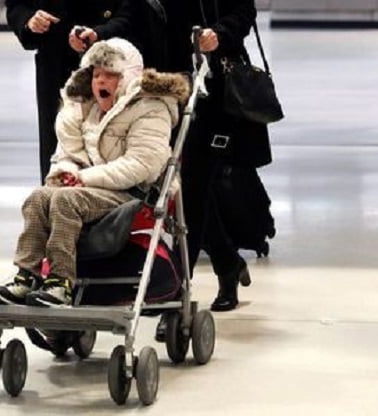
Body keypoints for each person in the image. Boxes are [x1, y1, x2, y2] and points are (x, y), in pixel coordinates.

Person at [0, 38, 190, 307]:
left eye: (110, 75)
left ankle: (60, 283)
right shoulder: (85, 109)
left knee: (63, 200)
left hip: (132, 194)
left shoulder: (151, 107)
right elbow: (66, 155)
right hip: (90, 191)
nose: (100, 82)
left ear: (127, 77)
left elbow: (142, 165)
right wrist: (67, 172)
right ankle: (27, 276)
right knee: (39, 197)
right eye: (96, 75)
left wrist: (84, 179)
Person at [132, 0, 272, 311]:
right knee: (183, 189)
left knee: (192, 186)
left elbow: (243, 12)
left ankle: (177, 295)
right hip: (158, 82)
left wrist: (218, 34)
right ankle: (227, 263)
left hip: (208, 87)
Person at [4, 0, 134, 183]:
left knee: (109, 149)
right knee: (58, 150)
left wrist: (98, 35)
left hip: (110, 64)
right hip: (56, 64)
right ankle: (56, 205)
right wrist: (28, 20)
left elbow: (132, 14)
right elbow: (17, 5)